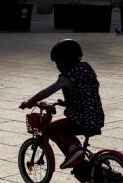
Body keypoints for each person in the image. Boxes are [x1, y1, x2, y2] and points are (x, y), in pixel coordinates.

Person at [20, 39, 105, 169]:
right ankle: (80, 157)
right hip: (97, 118)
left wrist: (30, 102)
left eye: (57, 62)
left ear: (63, 61)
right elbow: (85, 93)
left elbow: (46, 92)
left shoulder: (67, 77)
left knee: (49, 129)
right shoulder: (86, 71)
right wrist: (68, 102)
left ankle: (74, 151)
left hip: (82, 120)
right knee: (66, 131)